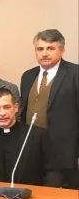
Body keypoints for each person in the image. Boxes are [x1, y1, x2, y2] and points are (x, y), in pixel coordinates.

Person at [20, 29, 79, 189]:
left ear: (62, 50)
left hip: (66, 154)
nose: (44, 53)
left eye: (50, 48)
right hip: (33, 152)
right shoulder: (27, 76)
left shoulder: (75, 74)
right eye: (40, 49)